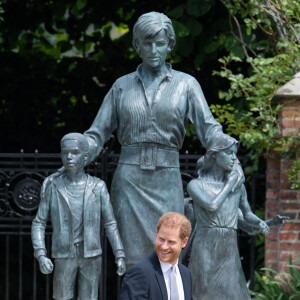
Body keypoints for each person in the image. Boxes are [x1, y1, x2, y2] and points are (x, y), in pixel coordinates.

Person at [42, 11, 243, 266]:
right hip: (129, 183)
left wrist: (229, 153)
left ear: (170, 45)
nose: (154, 50)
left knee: (168, 254)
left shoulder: (186, 85)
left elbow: (209, 130)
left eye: (160, 43)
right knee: (132, 261)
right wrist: (75, 158)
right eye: (147, 43)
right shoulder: (121, 86)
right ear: (137, 45)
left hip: (167, 177)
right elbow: (96, 134)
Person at [31, 133, 126, 300]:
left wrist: (119, 254)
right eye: (64, 152)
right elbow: (38, 223)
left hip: (91, 254)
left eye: (75, 152)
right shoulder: (53, 187)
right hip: (64, 254)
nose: (69, 157)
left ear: (86, 156)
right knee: (61, 297)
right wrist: (41, 254)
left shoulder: (98, 187)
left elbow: (110, 223)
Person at [187, 133, 270, 300]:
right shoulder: (196, 185)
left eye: (235, 154)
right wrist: (230, 184)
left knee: (235, 294)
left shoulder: (238, 187)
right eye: (229, 153)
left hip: (229, 248)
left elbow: (247, 214)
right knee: (203, 293)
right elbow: (212, 205)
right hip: (206, 246)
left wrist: (262, 223)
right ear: (215, 155)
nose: (234, 158)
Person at [120, 212, 192, 300]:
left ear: (184, 242)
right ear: (156, 234)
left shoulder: (186, 274)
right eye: (161, 239)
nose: (164, 246)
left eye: (171, 242)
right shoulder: (139, 273)